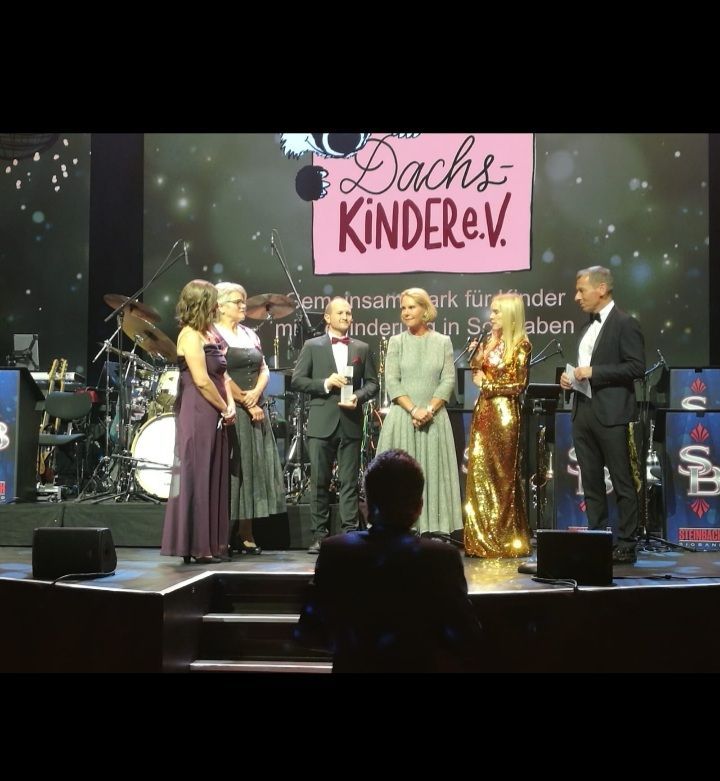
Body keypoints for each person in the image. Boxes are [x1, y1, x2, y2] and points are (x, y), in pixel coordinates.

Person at [295, 449, 483, 672]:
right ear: (419, 506)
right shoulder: (441, 557)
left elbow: (308, 633)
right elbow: (466, 637)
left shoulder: (335, 552)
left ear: (366, 506)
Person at [560, 266, 645, 564]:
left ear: (602, 289)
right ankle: (598, 538)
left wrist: (594, 372)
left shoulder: (625, 323)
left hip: (612, 414)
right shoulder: (585, 329)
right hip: (583, 412)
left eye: (581, 290)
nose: (576, 297)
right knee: (591, 482)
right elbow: (583, 369)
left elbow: (636, 367)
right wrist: (570, 379)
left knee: (622, 480)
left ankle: (627, 543)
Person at [291, 296, 378, 553]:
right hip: (321, 423)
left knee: (349, 481)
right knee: (319, 480)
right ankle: (320, 535)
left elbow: (373, 383)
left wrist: (358, 396)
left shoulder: (361, 348)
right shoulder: (312, 346)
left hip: (350, 422)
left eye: (349, 313)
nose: (346, 317)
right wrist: (326, 383)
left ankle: (350, 532)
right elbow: (297, 380)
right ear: (327, 317)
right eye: (340, 313)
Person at [375, 287, 462, 536]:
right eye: (403, 308)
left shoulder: (442, 342)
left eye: (411, 307)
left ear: (425, 310)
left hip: (434, 420)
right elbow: (392, 382)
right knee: (400, 477)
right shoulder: (397, 342)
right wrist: (414, 410)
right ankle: (399, 526)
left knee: (433, 474)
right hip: (403, 418)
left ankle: (435, 529)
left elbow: (448, 380)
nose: (405, 312)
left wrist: (428, 410)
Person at [161, 280, 235, 564]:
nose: (217, 306)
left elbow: (222, 376)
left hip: (214, 410)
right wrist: (224, 408)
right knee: (198, 473)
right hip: (198, 411)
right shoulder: (189, 336)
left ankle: (212, 544)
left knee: (212, 472)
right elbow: (202, 381)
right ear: (203, 304)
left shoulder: (208, 333)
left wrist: (229, 404)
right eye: (214, 301)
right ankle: (196, 545)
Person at [214, 282, 286, 556]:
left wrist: (256, 394)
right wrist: (245, 400)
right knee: (234, 470)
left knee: (253, 469)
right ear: (220, 306)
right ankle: (223, 532)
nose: (243, 306)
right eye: (237, 301)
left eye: (243, 301)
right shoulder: (212, 334)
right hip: (230, 409)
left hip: (255, 408)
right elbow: (220, 373)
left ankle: (246, 532)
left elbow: (264, 368)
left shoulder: (249, 334)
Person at [464, 293, 532, 558]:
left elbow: (518, 384)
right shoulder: (490, 342)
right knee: (480, 473)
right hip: (484, 411)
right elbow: (477, 371)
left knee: (502, 477)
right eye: (491, 312)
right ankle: (481, 538)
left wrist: (487, 385)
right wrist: (476, 357)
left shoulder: (521, 345)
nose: (490, 316)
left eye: (496, 312)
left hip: (504, 416)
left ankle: (504, 539)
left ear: (510, 315)